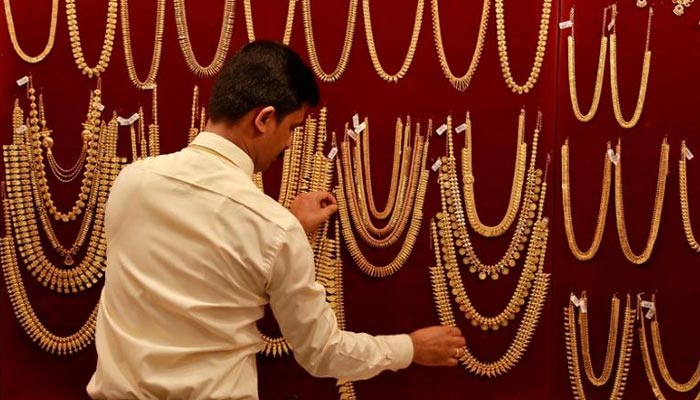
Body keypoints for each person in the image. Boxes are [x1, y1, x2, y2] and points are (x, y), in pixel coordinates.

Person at [87, 40, 465, 400]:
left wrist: (287, 231)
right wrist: (410, 348)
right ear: (265, 119)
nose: (288, 145)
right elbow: (322, 352)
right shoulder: (271, 228)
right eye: (293, 129)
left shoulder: (131, 183)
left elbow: (193, 259)